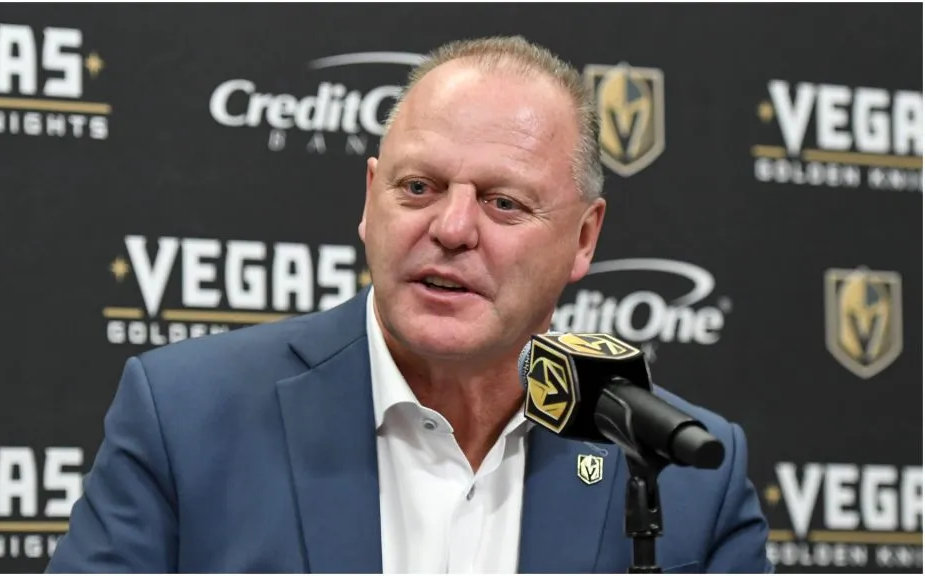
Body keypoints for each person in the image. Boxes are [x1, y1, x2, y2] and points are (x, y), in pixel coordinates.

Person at [47, 36, 772, 573]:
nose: (451, 229)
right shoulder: (186, 417)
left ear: (584, 239)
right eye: (418, 188)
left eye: (503, 201)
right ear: (370, 201)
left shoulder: (682, 471)